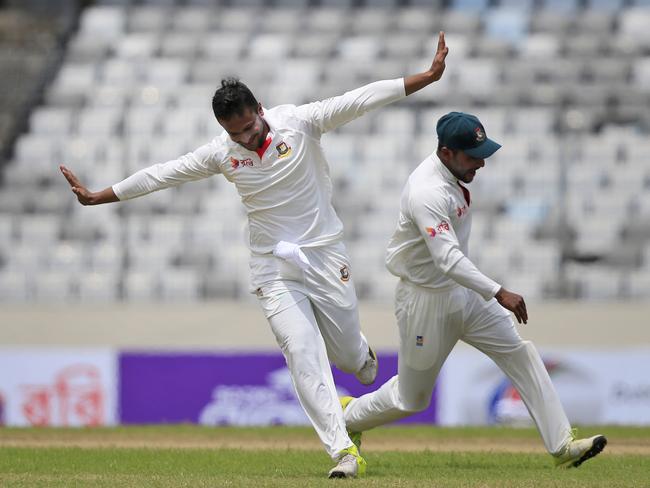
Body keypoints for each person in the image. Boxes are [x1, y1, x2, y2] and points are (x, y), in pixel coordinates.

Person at [60, 33, 450, 478]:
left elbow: (360, 99)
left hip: (324, 254)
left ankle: (359, 358)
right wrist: (98, 196)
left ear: (260, 110)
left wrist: (428, 76)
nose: (245, 139)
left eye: (248, 127)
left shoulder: (300, 123)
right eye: (234, 133)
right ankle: (343, 451)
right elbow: (161, 174)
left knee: (350, 362)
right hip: (272, 267)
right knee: (301, 349)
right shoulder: (223, 153)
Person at [340, 111, 607, 470]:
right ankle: (348, 417)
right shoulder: (427, 192)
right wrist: (499, 291)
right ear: (447, 153)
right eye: (472, 155)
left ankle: (562, 446)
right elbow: (447, 259)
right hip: (426, 301)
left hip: (465, 293)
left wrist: (486, 292)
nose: (480, 163)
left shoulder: (452, 174)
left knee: (518, 352)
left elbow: (454, 265)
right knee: (411, 399)